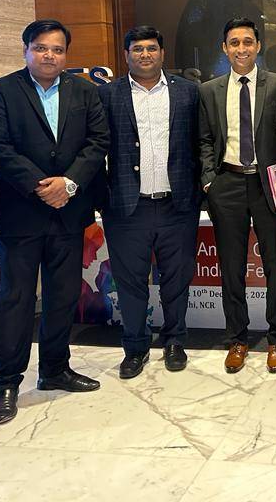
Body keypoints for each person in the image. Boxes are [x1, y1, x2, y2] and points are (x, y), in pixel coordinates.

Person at [0, 19, 109, 424]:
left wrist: (68, 183)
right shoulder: (1, 91)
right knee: (16, 298)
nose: (49, 55)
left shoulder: (85, 92)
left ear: (66, 55)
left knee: (63, 295)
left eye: (57, 49)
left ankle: (54, 369)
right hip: (22, 213)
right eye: (40, 48)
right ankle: (6, 381)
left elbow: (97, 142)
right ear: (26, 50)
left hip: (69, 212)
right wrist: (41, 186)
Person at [98, 26, 201, 377]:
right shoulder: (107, 95)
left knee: (177, 279)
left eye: (152, 48)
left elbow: (200, 142)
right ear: (126, 55)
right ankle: (135, 347)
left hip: (177, 204)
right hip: (127, 206)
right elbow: (95, 148)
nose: (145, 54)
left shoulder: (188, 92)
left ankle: (174, 342)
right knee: (129, 282)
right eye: (138, 49)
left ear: (162, 53)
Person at [200, 18, 276, 374]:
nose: (241, 48)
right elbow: (204, 139)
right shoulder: (209, 90)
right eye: (234, 42)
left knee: (275, 264)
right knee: (231, 267)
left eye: (247, 42)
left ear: (258, 46)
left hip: (269, 183)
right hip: (226, 184)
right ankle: (237, 339)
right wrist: (209, 180)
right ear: (224, 48)